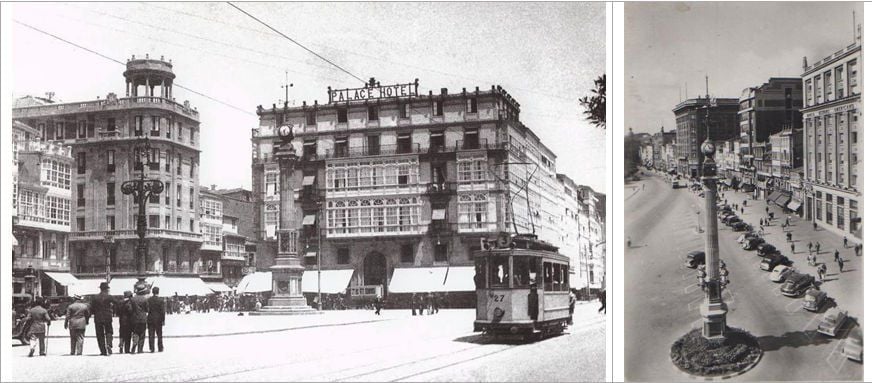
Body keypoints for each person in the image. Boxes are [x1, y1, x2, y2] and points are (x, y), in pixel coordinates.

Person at [91, 281, 115, 356]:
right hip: (107, 316)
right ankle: (109, 344)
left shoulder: (95, 297)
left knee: (99, 334)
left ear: (100, 289)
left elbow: (91, 308)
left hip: (98, 317)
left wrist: (94, 312)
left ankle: (103, 351)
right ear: (107, 289)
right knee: (109, 331)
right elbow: (117, 304)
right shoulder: (109, 297)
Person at [130, 284, 150, 354]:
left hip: (134, 318)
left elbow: (131, 309)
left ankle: (134, 343)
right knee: (142, 333)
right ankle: (140, 349)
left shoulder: (133, 299)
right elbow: (147, 309)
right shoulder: (145, 299)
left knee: (135, 332)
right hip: (143, 318)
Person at [147, 286, 166, 353]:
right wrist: (163, 320)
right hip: (158, 319)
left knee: (151, 334)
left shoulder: (149, 300)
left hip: (150, 319)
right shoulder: (161, 300)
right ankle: (160, 347)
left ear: (152, 292)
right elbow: (163, 311)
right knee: (159, 334)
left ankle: (152, 348)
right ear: (158, 292)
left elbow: (147, 309)